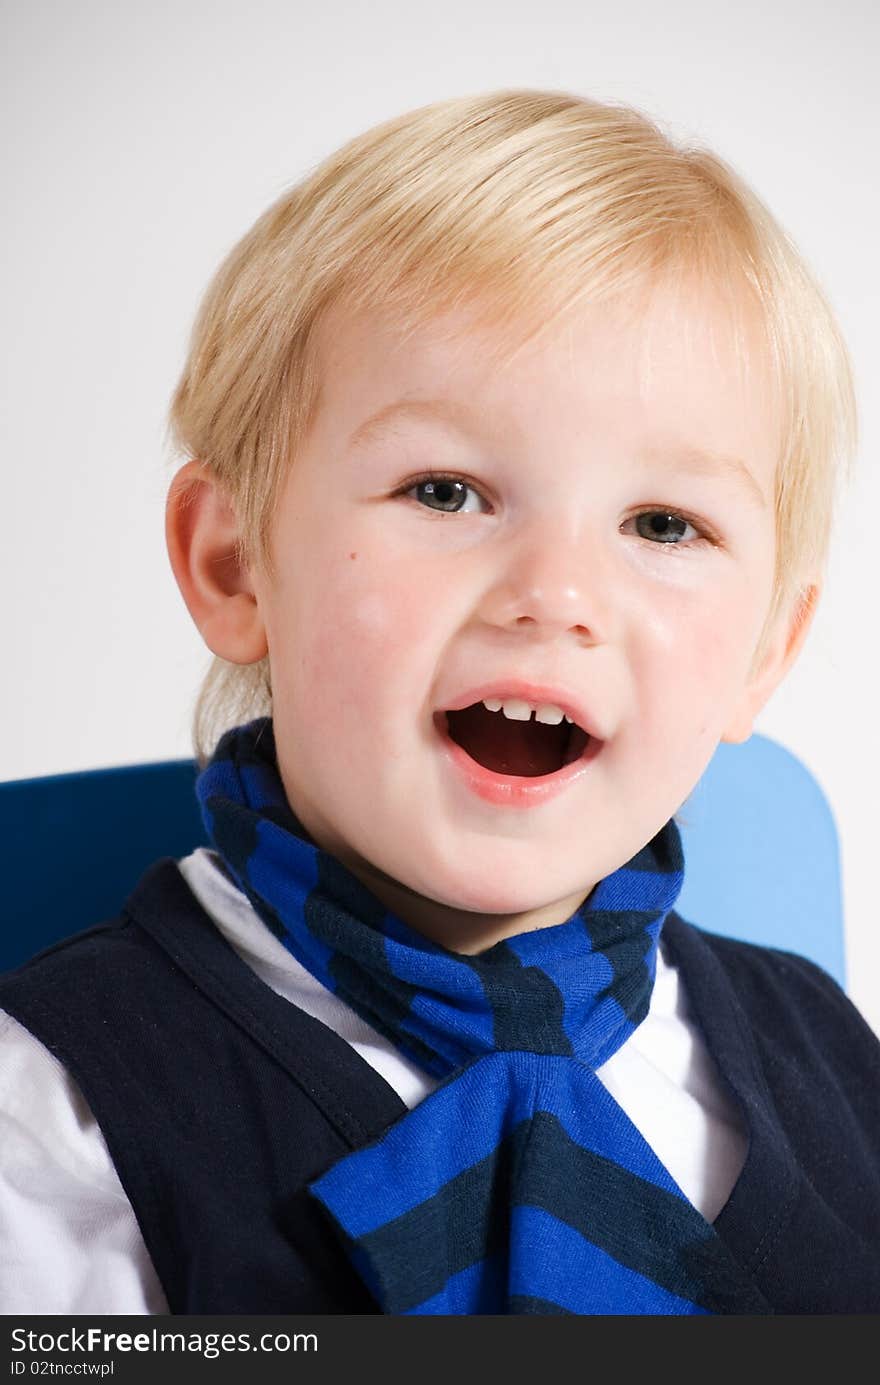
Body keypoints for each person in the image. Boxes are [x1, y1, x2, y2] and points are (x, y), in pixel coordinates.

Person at [1, 88, 877, 1316]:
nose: (557, 592)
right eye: (447, 490)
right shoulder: (54, 1117)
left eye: (662, 523)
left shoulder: (835, 1059)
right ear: (235, 565)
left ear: (763, 655)